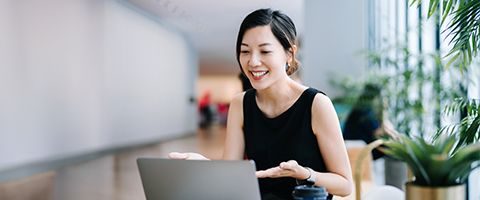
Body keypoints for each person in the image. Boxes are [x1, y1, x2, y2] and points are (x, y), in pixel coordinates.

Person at [169, 8, 353, 199]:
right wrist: (205, 164)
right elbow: (231, 175)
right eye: (245, 51)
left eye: (265, 51)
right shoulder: (240, 104)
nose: (253, 62)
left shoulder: (316, 104)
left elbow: (345, 185)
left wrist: (305, 174)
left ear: (289, 53)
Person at [343, 84, 397, 159]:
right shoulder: (366, 112)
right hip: (360, 148)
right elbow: (378, 133)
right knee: (389, 147)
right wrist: (384, 114)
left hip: (352, 146)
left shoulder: (358, 109)